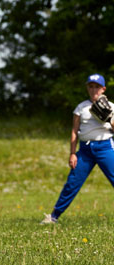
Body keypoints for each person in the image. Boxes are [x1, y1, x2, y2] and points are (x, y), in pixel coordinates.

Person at [41, 73, 114, 224]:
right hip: (85, 150)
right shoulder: (81, 107)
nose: (94, 90)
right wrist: (73, 153)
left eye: (97, 87)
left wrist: (109, 119)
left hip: (105, 147)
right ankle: (53, 217)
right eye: (91, 87)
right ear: (87, 88)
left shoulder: (111, 106)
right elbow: (74, 131)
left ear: (103, 89)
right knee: (72, 183)